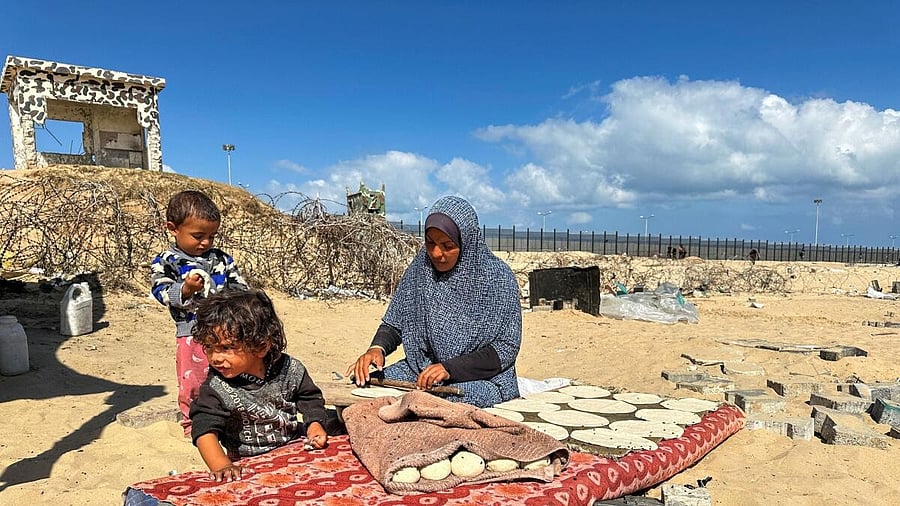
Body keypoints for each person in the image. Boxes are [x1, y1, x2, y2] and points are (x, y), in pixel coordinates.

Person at [347, 196, 522, 408]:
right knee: (365, 385)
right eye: (431, 243)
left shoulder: (498, 278)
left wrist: (450, 369)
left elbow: (506, 347)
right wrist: (377, 348)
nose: (437, 254)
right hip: (424, 370)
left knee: (446, 402)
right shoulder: (421, 269)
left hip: (480, 379)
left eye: (448, 245)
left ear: (466, 241)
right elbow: (395, 322)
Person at [190, 289, 328, 482]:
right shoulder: (216, 386)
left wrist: (315, 424)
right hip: (248, 463)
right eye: (209, 348)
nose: (215, 358)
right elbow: (204, 428)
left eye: (226, 348)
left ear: (261, 346)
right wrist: (222, 465)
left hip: (295, 448)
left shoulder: (290, 370)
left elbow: (309, 398)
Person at [150, 190, 248, 437]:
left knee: (229, 374)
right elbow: (160, 290)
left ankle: (232, 417)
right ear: (173, 228)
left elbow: (240, 287)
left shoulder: (221, 260)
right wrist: (184, 289)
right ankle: (192, 423)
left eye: (211, 236)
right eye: (198, 235)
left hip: (226, 332)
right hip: (191, 333)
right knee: (193, 382)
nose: (205, 242)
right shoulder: (167, 261)